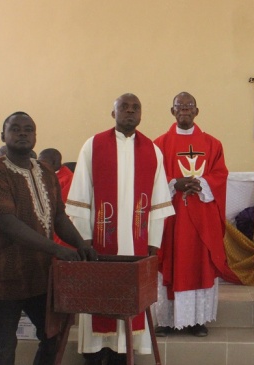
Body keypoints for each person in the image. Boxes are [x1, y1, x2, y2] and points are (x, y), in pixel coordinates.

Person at [66, 93, 175, 365]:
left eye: (135, 108)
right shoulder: (93, 145)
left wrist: (153, 247)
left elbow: (159, 205)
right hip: (98, 248)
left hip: (136, 249)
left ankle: (121, 355)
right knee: (98, 302)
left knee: (130, 306)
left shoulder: (153, 150)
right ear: (112, 113)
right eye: (123, 108)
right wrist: (85, 242)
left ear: (141, 114)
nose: (130, 112)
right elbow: (80, 199)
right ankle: (94, 356)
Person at [0, 112, 96, 365]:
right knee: (2, 347)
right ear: (3, 136)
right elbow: (8, 223)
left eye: (28, 129)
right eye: (15, 129)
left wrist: (82, 244)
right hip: (3, 278)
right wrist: (57, 250)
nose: (23, 133)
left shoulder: (46, 172)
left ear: (36, 136)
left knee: (55, 336)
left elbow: (59, 216)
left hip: (40, 277)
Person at [153, 92, 234, 337]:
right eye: (180, 106)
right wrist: (173, 183)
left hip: (202, 216)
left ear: (197, 111)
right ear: (172, 111)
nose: (184, 110)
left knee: (200, 263)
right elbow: (152, 178)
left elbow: (220, 175)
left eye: (189, 107)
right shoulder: (159, 144)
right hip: (172, 217)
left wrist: (203, 183)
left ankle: (197, 320)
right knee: (171, 259)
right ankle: (166, 320)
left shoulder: (213, 144)